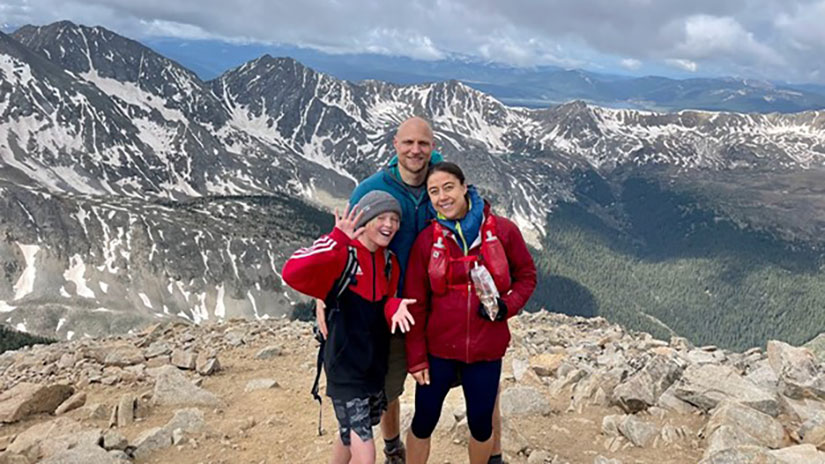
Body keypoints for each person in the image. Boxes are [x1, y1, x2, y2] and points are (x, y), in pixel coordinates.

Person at [403, 162, 537, 464]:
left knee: (480, 424)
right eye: (433, 191)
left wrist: (508, 306)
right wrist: (416, 356)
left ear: (465, 187)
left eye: (448, 187)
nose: (442, 197)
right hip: (438, 350)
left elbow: (526, 275)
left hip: (485, 350)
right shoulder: (427, 241)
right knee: (424, 419)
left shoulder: (503, 231)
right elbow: (416, 301)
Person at [283, 191, 416, 464]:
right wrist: (337, 239)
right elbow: (292, 272)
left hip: (374, 367)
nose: (389, 224)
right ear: (365, 220)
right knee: (365, 450)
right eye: (381, 217)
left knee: (349, 435)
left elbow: (385, 304)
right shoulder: (342, 255)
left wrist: (394, 307)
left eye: (394, 219)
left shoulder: (389, 262)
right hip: (345, 368)